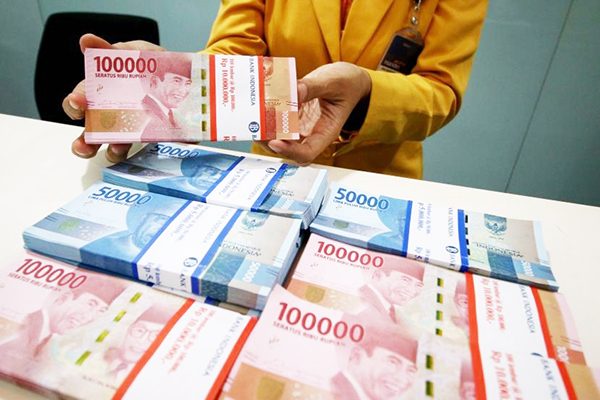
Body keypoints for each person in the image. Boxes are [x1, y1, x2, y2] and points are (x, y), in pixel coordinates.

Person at [64, 0, 487, 178]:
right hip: (273, 164)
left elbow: (441, 91)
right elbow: (237, 48)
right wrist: (171, 74)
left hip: (377, 177)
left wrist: (364, 95)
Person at [0, 273, 126, 374]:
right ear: (64, 298)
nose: (88, 317)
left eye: (101, 311)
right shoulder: (21, 328)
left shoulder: (47, 339)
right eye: (90, 304)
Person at [331, 320, 418, 399]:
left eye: (411, 370)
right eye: (392, 362)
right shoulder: (332, 392)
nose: (401, 379)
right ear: (356, 356)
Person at [138, 52, 193, 139]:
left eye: (188, 83)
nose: (183, 90)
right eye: (176, 81)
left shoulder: (171, 115)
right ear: (155, 82)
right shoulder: (145, 115)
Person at [358, 258, 424, 323]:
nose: (411, 290)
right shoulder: (360, 306)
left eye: (418, 285)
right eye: (405, 280)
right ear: (378, 276)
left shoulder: (390, 310)